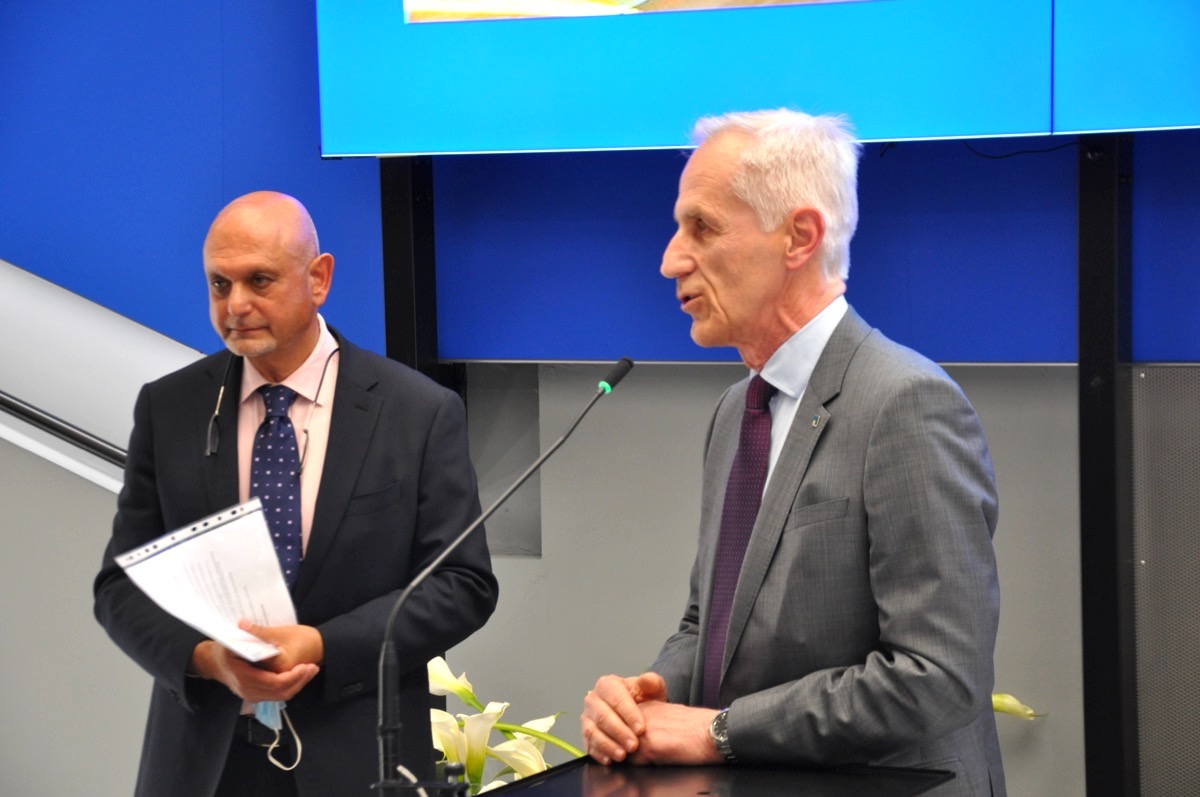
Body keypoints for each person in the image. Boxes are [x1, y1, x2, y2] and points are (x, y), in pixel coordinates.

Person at [581, 110, 1005, 796]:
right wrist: (649, 696)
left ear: (799, 237)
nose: (670, 260)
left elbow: (938, 675)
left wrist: (718, 732)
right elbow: (710, 624)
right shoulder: (735, 411)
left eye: (702, 227)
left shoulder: (907, 402)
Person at [94, 191, 499, 796]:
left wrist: (322, 645)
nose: (236, 305)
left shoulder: (417, 412)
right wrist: (208, 659)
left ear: (319, 279)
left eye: (259, 280)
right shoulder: (170, 408)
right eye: (219, 284)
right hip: (204, 765)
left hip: (358, 761)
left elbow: (462, 585)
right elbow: (120, 586)